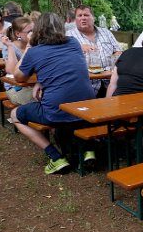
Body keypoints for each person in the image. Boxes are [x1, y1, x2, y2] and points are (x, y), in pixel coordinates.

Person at [10, 12, 95, 174]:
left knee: (15, 115)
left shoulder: (35, 51)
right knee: (73, 109)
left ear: (38, 30)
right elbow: (62, 66)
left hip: (57, 111)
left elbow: (18, 76)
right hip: (86, 108)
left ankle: (55, 157)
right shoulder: (74, 42)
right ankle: (88, 150)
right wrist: (41, 81)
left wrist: (28, 47)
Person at [67, 4, 122, 97]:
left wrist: (114, 60)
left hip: (110, 83)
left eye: (86, 15)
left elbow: (118, 51)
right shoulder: (69, 36)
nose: (83, 18)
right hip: (85, 85)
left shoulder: (106, 32)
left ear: (93, 18)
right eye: (79, 16)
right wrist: (78, 47)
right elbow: (64, 58)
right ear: (75, 19)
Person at [1, 17, 35, 105]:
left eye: (34, 30)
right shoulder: (11, 46)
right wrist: (9, 47)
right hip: (16, 88)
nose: (33, 34)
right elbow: (12, 70)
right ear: (18, 34)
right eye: (29, 32)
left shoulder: (36, 45)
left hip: (33, 85)